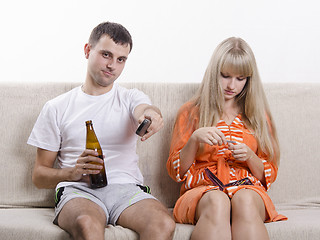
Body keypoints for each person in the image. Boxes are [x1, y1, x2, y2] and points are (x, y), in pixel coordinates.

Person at [28, 22, 175, 240]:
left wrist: (151, 115)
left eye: (121, 59)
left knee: (163, 223)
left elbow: (144, 109)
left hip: (126, 189)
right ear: (88, 50)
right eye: (106, 54)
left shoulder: (130, 98)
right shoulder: (56, 107)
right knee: (86, 224)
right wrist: (72, 173)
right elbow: (39, 176)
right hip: (77, 190)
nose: (112, 65)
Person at [167, 37, 287, 240]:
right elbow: (176, 171)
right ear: (214, 73)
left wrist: (250, 156)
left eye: (241, 79)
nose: (232, 85)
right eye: (225, 76)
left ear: (249, 80)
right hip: (203, 189)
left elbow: (268, 174)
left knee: (245, 200)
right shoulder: (190, 112)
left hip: (247, 187)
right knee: (217, 201)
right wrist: (194, 140)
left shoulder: (259, 116)